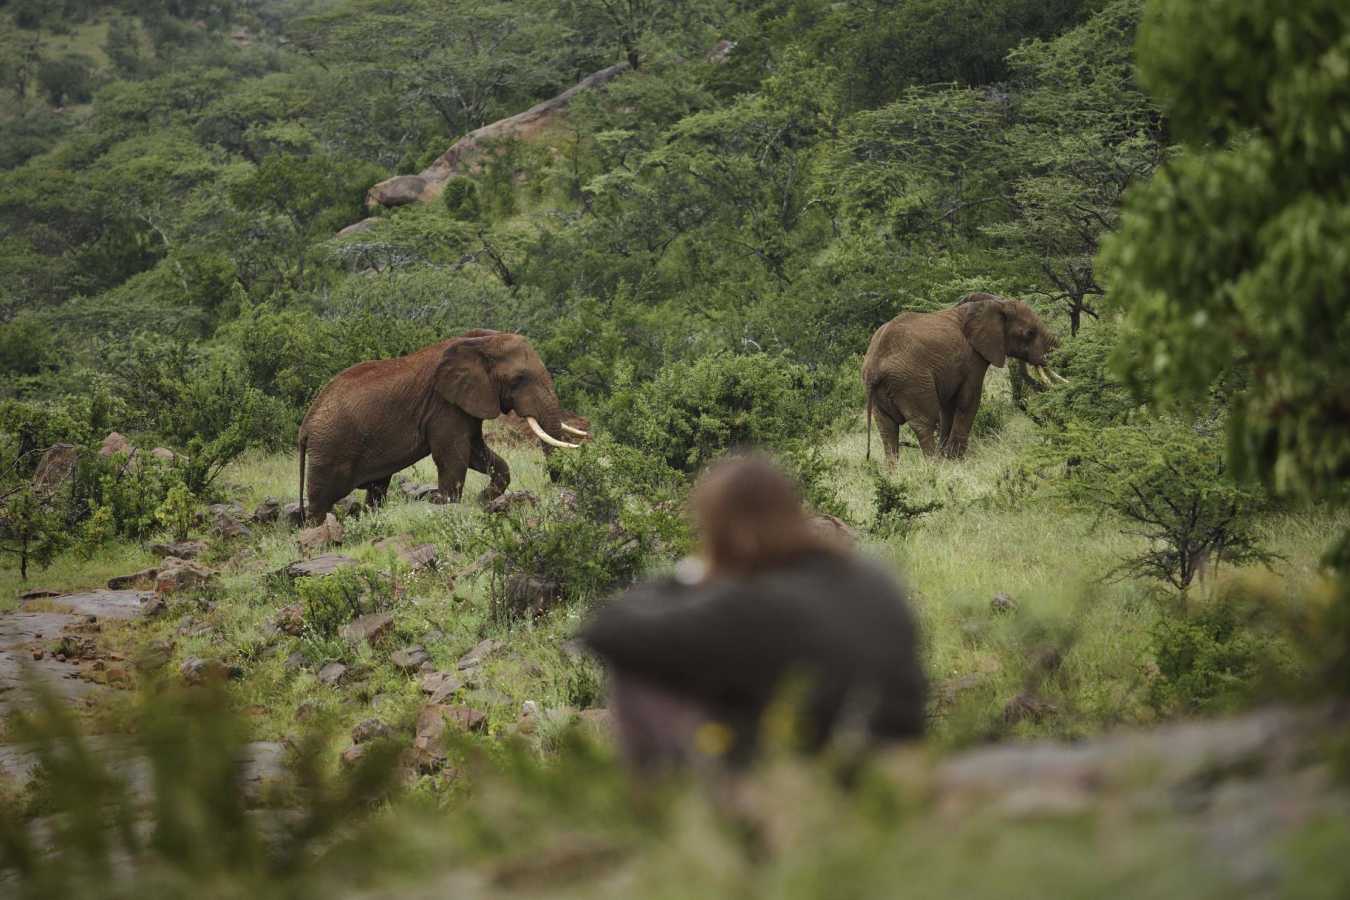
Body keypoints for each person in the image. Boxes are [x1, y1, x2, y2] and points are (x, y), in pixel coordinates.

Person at [577, 455, 927, 772]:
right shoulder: (873, 575)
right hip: (898, 753)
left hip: (821, 774)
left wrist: (690, 573)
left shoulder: (750, 603)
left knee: (638, 672)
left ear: (736, 535)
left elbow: (605, 630)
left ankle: (665, 809)